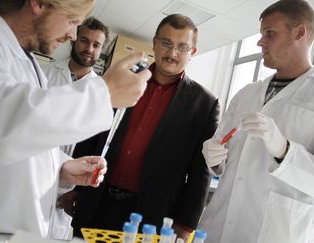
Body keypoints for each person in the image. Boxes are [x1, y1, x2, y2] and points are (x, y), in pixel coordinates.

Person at [0, 0, 150, 239]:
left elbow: (26, 136)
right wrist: (104, 94)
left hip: (11, 232)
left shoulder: (27, 62)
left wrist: (61, 166)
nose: (72, 35)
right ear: (38, 3)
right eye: (71, 21)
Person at [199, 0, 314, 242]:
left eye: (269, 33)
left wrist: (284, 150)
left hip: (276, 232)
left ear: (299, 32)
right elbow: (225, 155)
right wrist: (215, 160)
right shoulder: (246, 93)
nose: (260, 42)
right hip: (218, 226)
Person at [60, 14, 220, 241]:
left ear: (192, 52)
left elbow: (200, 170)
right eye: (166, 43)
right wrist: (76, 187)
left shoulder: (204, 103)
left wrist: (185, 225)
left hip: (152, 214)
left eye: (182, 47)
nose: (172, 53)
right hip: (99, 200)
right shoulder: (123, 79)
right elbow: (94, 132)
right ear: (154, 43)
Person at [42, 16, 109, 156]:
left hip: (72, 167)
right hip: (35, 158)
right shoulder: (44, 73)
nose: (89, 49)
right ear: (74, 40)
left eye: (96, 45)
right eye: (84, 41)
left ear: (101, 49)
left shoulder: (101, 90)